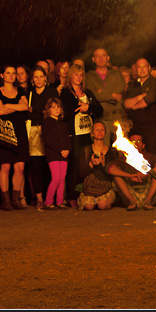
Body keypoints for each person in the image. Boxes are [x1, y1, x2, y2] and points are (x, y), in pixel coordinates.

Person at [61, 60, 103, 209]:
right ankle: (71, 195)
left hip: (87, 133)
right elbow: (65, 112)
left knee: (87, 164)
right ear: (70, 76)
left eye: (81, 74)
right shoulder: (66, 93)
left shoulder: (88, 93)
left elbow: (99, 110)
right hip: (75, 134)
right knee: (76, 165)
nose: (78, 77)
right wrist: (81, 107)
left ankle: (85, 192)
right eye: (75, 74)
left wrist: (88, 107)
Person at [0, 66, 29, 211]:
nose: (11, 75)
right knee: (5, 166)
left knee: (20, 166)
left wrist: (8, 105)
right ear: (2, 75)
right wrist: (16, 106)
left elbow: (26, 107)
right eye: (8, 73)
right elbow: (0, 111)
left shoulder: (20, 91)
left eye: (13, 73)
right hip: (5, 131)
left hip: (19, 130)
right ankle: (5, 200)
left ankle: (15, 199)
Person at [107, 132, 156, 211]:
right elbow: (109, 168)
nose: (136, 143)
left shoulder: (149, 156)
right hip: (131, 191)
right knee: (117, 177)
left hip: (147, 189)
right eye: (132, 141)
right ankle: (132, 202)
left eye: (139, 141)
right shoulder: (124, 158)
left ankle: (148, 202)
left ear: (143, 145)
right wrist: (129, 175)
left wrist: (147, 172)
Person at [25, 65, 54, 211]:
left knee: (49, 166)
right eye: (35, 77)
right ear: (32, 79)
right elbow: (27, 114)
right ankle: (39, 199)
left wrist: (35, 110)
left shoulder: (51, 92)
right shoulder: (28, 93)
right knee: (35, 166)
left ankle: (50, 197)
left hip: (48, 130)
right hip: (33, 132)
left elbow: (51, 112)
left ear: (45, 78)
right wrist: (40, 112)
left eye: (41, 76)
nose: (38, 79)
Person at [87, 48, 130, 142]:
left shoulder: (116, 73)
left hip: (117, 116)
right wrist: (112, 96)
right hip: (101, 118)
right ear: (93, 59)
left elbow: (120, 89)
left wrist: (102, 93)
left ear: (108, 58)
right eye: (97, 56)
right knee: (104, 149)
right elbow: (94, 96)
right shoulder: (90, 76)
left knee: (123, 150)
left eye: (103, 55)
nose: (101, 58)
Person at [77, 121, 117, 211]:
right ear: (92, 133)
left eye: (102, 130)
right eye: (97, 130)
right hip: (90, 188)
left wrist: (103, 165)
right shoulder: (85, 150)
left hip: (105, 186)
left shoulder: (112, 151)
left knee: (102, 205)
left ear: (105, 133)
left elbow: (113, 174)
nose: (99, 132)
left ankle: (109, 200)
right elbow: (81, 174)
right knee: (89, 206)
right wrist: (91, 164)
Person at [41, 97, 70, 210]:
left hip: (64, 155)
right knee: (56, 178)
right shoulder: (46, 123)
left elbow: (67, 139)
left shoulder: (63, 124)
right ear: (48, 110)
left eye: (58, 107)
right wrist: (60, 150)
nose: (56, 109)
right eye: (53, 107)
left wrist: (68, 150)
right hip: (53, 154)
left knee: (62, 178)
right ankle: (48, 202)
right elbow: (48, 140)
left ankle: (60, 201)